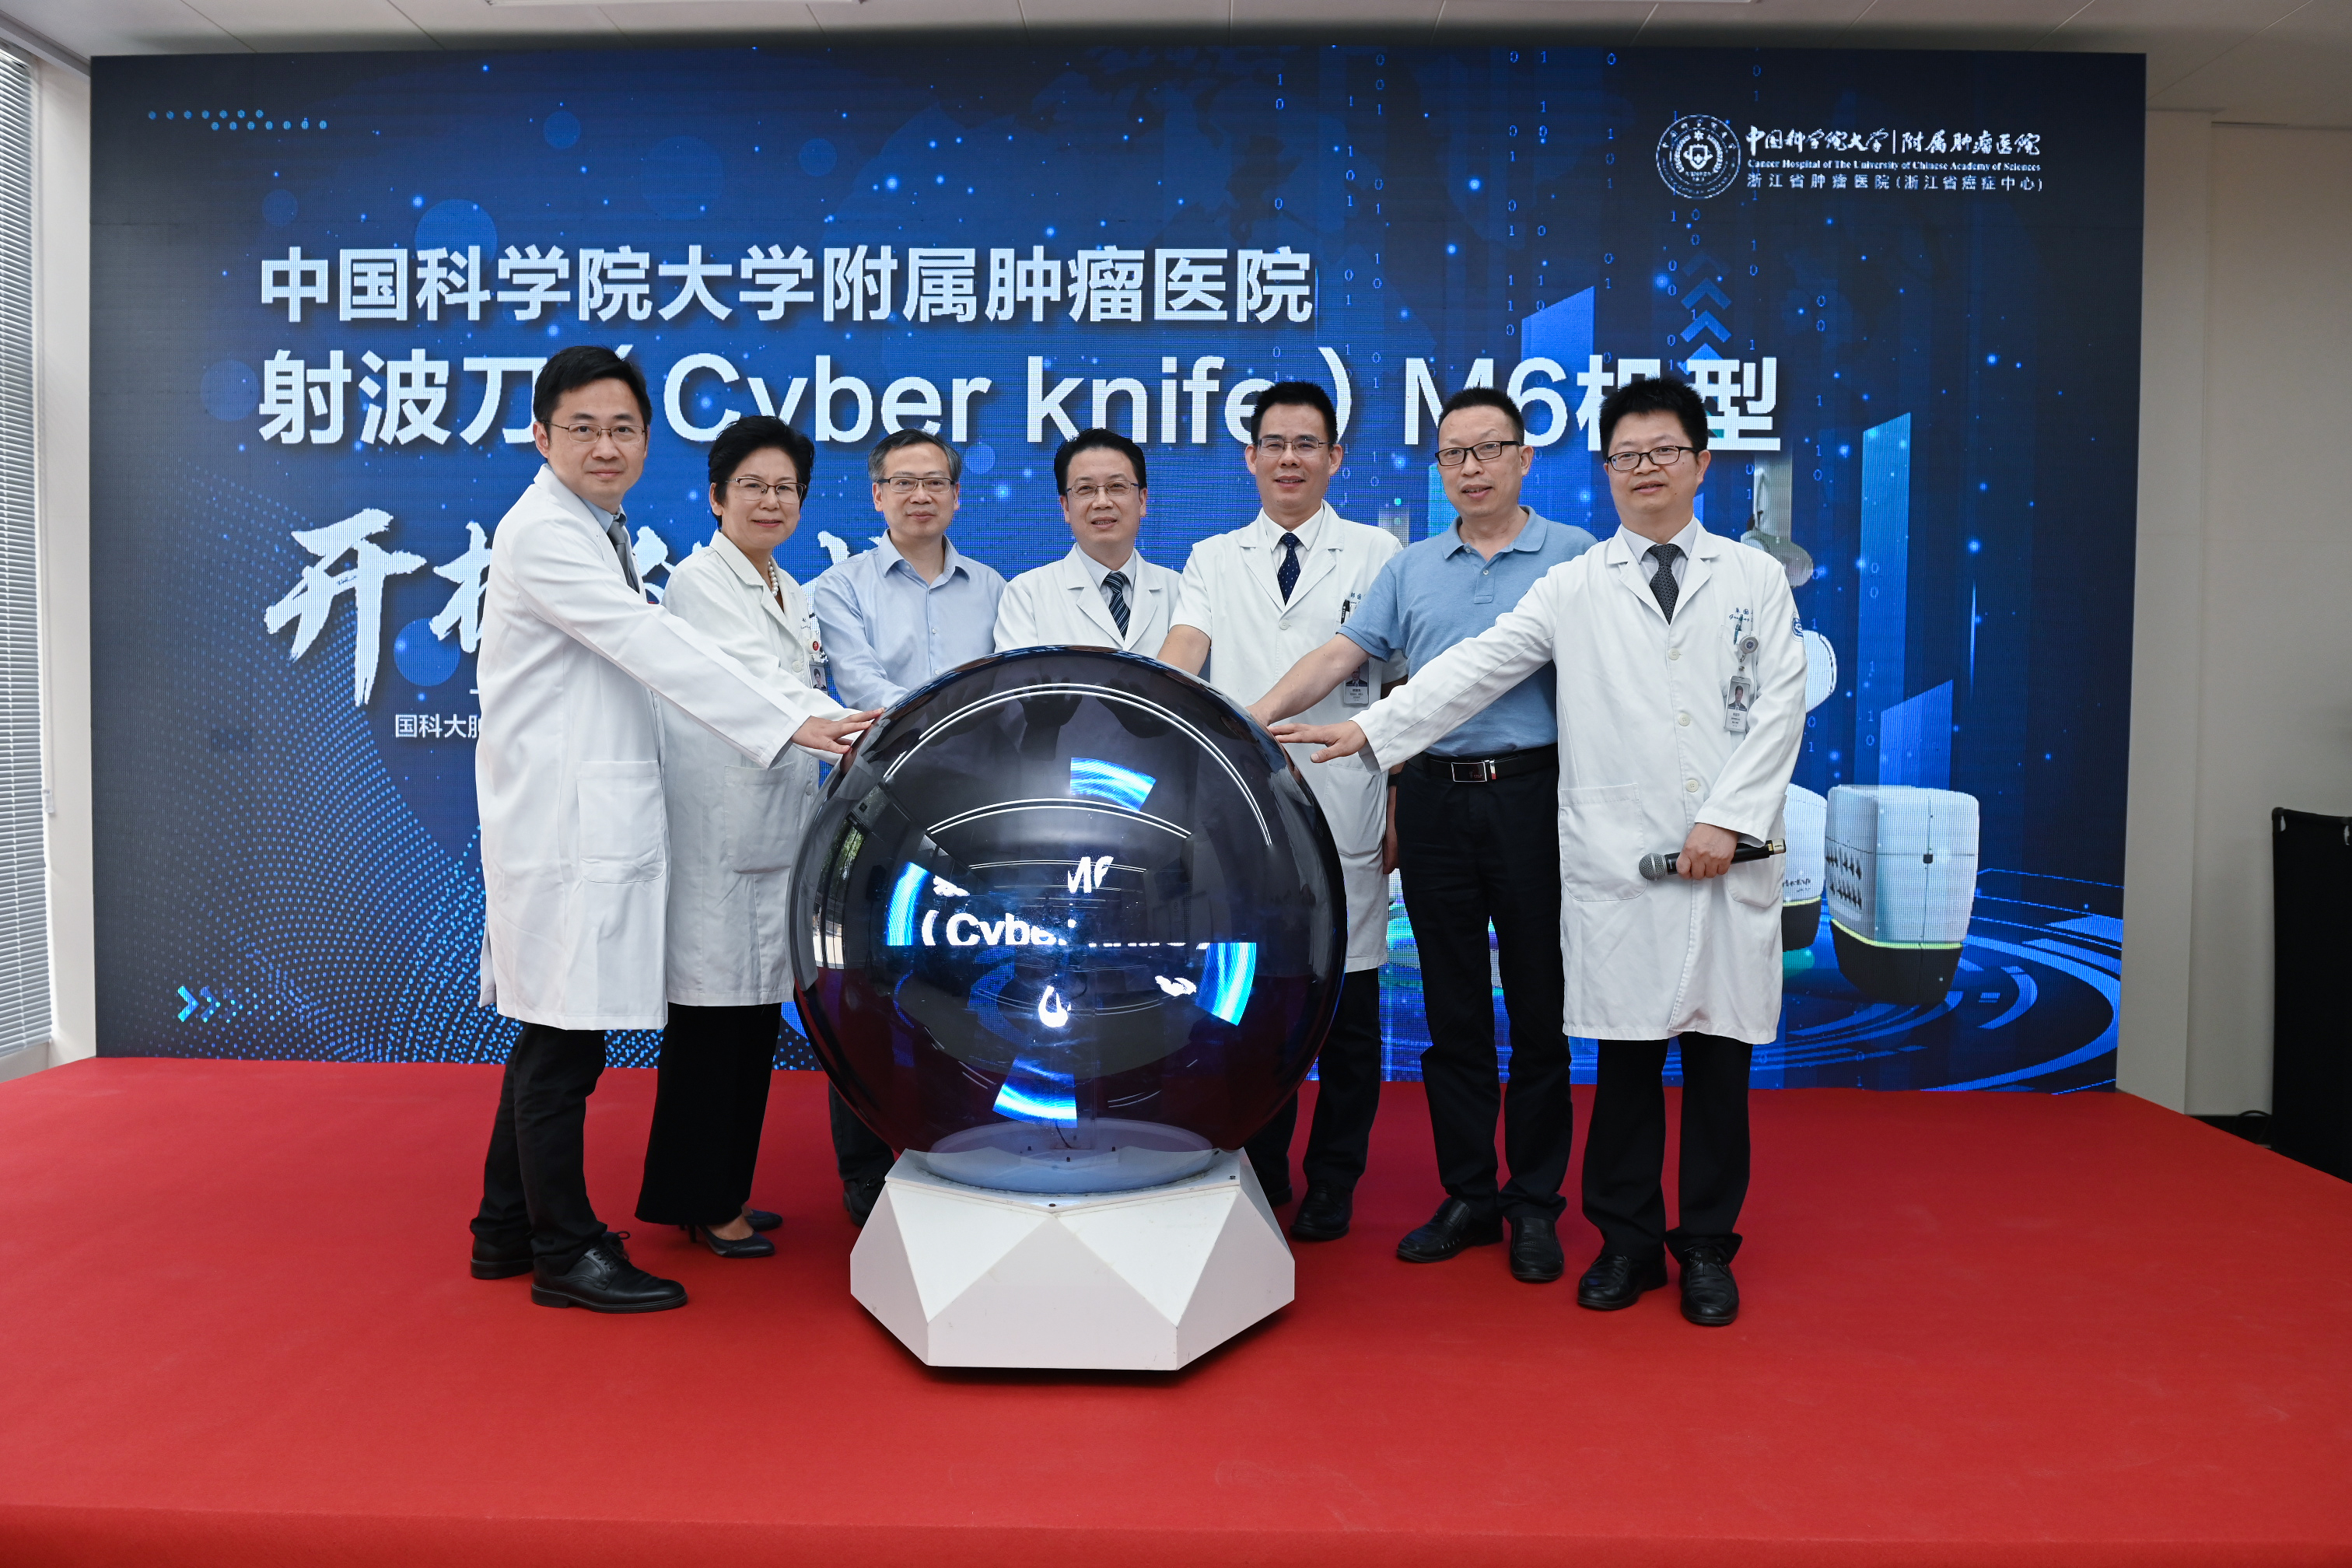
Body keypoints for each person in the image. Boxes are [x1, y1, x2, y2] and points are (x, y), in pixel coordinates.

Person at [1271, 375, 1804, 1327]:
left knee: (1718, 1061)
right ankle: (1628, 1243)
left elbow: (1781, 706)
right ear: (1606, 470)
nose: (1645, 469)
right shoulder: (1576, 583)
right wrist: (1373, 731)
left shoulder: (1752, 579)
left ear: (1701, 464)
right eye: (1628, 456)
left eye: (1664, 452)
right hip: (1619, 852)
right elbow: (1475, 668)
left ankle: (1706, 1247)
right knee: (1627, 1057)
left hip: (1723, 850)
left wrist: (1729, 817)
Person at [468, 348, 874, 1314]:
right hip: (561, 821)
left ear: (648, 441)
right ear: (542, 436)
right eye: (584, 429)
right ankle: (565, 1251)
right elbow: (648, 641)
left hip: (584, 812)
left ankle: (505, 1228)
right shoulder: (547, 533)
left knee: (555, 1036)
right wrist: (790, 720)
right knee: (563, 1045)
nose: (606, 446)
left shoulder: (594, 529)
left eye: (623, 429)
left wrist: (803, 715)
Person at [1247, 387, 1597, 1283]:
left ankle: (1534, 1203)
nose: (1471, 469)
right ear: (1438, 467)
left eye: (1489, 450)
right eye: (1453, 455)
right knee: (1452, 1012)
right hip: (1436, 800)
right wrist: (1252, 719)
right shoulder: (1412, 567)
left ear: (1525, 458)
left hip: (1533, 798)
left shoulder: (1576, 558)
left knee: (1539, 1011)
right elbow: (1343, 654)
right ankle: (1470, 1194)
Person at [1157, 381, 1399, 1241]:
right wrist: (1153, 692)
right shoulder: (1214, 557)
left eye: (1306, 444)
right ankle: (1260, 1166)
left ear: (1336, 457)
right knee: (1255, 1003)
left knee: (1351, 1007)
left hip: (1345, 793)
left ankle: (1335, 1177)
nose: (1289, 459)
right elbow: (1187, 644)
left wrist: (1397, 798)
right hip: (1241, 811)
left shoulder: (1378, 552)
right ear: (1250, 457)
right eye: (1274, 444)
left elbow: (1398, 682)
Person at [635, 417, 844, 1259]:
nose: (770, 501)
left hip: (777, 830)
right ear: (717, 497)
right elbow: (749, 680)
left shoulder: (789, 587)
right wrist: (833, 725)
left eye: (785, 488)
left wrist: (829, 724)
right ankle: (698, 1196)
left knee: (754, 1019)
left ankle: (725, 1188)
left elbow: (796, 680)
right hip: (720, 834)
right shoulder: (699, 583)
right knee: (711, 1025)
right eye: (752, 486)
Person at [810, 428, 1006, 1224]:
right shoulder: (838, 587)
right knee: (863, 991)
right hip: (876, 816)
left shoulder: (995, 588)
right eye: (903, 482)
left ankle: (953, 1142)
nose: (920, 495)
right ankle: (864, 1171)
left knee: (960, 987)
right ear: (877, 495)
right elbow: (865, 694)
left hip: (972, 828)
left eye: (935, 482)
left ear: (957, 495)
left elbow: (1008, 700)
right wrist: (957, 731)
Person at [993, 428, 1179, 657]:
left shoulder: (1180, 592)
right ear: (1066, 507)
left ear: (1142, 500)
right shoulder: (1027, 595)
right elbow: (1019, 679)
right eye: (1086, 489)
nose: (1102, 502)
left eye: (1117, 486)